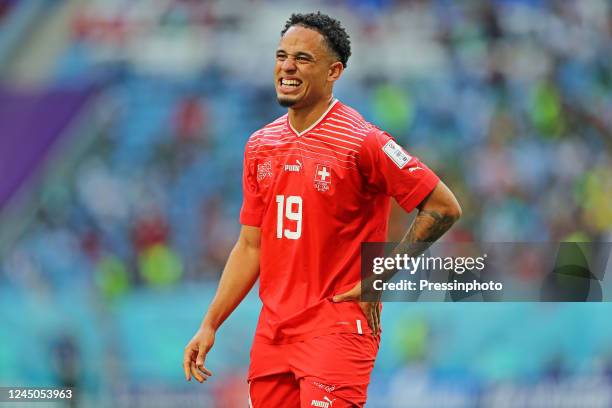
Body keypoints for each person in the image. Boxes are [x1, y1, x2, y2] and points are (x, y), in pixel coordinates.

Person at [183, 11, 461, 407]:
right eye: (281, 56)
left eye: (303, 58)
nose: (288, 67)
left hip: (337, 326)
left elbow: (443, 206)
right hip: (273, 333)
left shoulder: (363, 141)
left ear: (334, 72)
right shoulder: (260, 145)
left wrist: (379, 276)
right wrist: (210, 324)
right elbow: (250, 247)